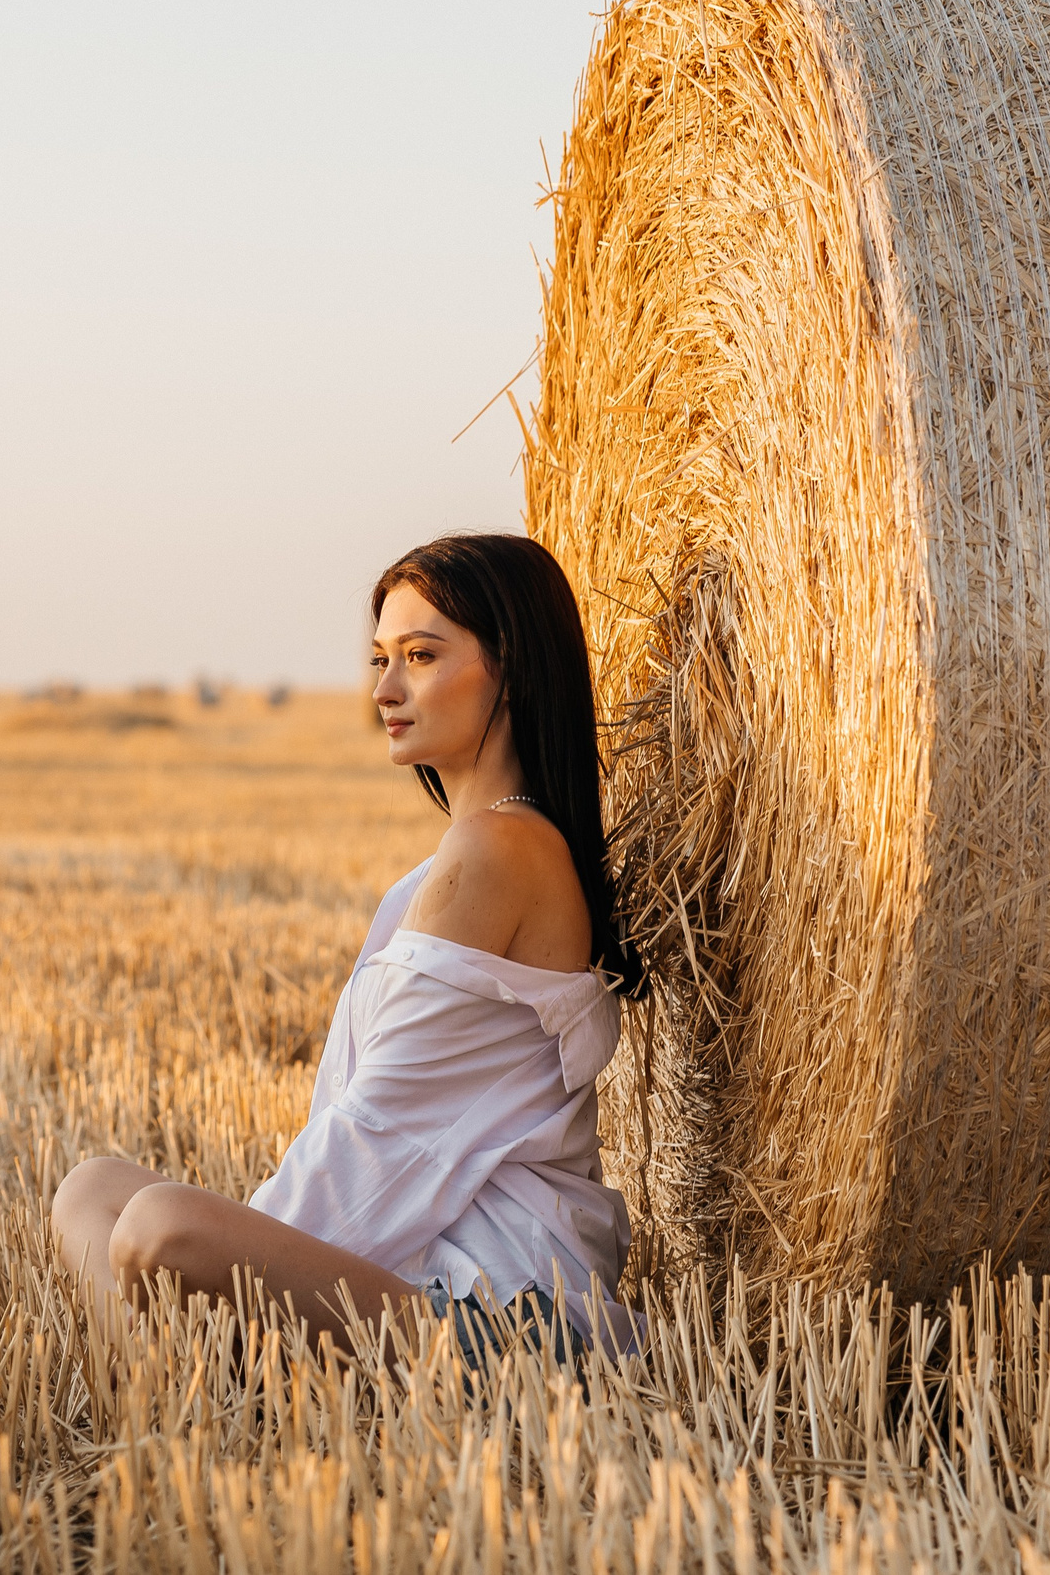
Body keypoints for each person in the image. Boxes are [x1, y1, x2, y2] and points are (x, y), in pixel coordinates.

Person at [49, 532, 642, 1362]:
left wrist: (240, 1260)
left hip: (502, 1310)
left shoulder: (501, 851)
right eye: (379, 660)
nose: (386, 688)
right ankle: (182, 1377)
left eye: (421, 656)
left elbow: (384, 1136)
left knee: (158, 1226)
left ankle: (195, 1375)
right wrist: (245, 1260)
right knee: (92, 1186)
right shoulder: (449, 864)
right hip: (420, 1274)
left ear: (508, 666)